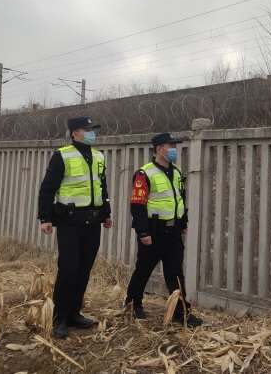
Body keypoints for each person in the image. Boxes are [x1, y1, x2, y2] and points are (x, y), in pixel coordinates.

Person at [37, 116, 113, 338]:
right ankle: (59, 316)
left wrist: (106, 214)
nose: (91, 132)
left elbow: (102, 188)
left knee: (84, 269)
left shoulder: (99, 156)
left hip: (93, 221)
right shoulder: (63, 155)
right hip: (70, 220)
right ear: (74, 133)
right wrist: (45, 218)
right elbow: (47, 189)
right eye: (86, 129)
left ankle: (74, 313)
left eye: (92, 129)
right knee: (69, 268)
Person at [125, 132, 203, 327]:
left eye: (174, 146)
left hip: (173, 232)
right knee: (143, 270)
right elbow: (138, 206)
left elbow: (179, 200)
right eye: (170, 146)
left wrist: (183, 223)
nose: (174, 150)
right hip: (153, 232)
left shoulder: (176, 172)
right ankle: (133, 304)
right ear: (159, 149)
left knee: (175, 273)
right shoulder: (145, 173)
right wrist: (143, 233)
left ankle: (180, 311)